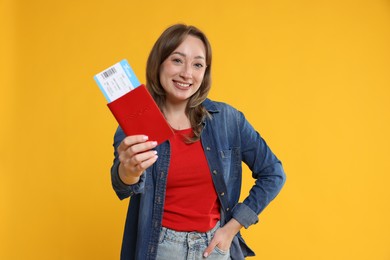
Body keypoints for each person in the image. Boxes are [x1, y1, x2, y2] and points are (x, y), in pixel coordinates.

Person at [110, 24, 286, 260]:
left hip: (213, 248)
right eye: (177, 60)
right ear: (159, 63)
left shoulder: (228, 120)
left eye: (198, 64)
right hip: (161, 248)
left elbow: (273, 172)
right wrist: (128, 170)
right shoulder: (136, 121)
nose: (187, 73)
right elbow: (123, 185)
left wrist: (232, 228)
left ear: (205, 72)